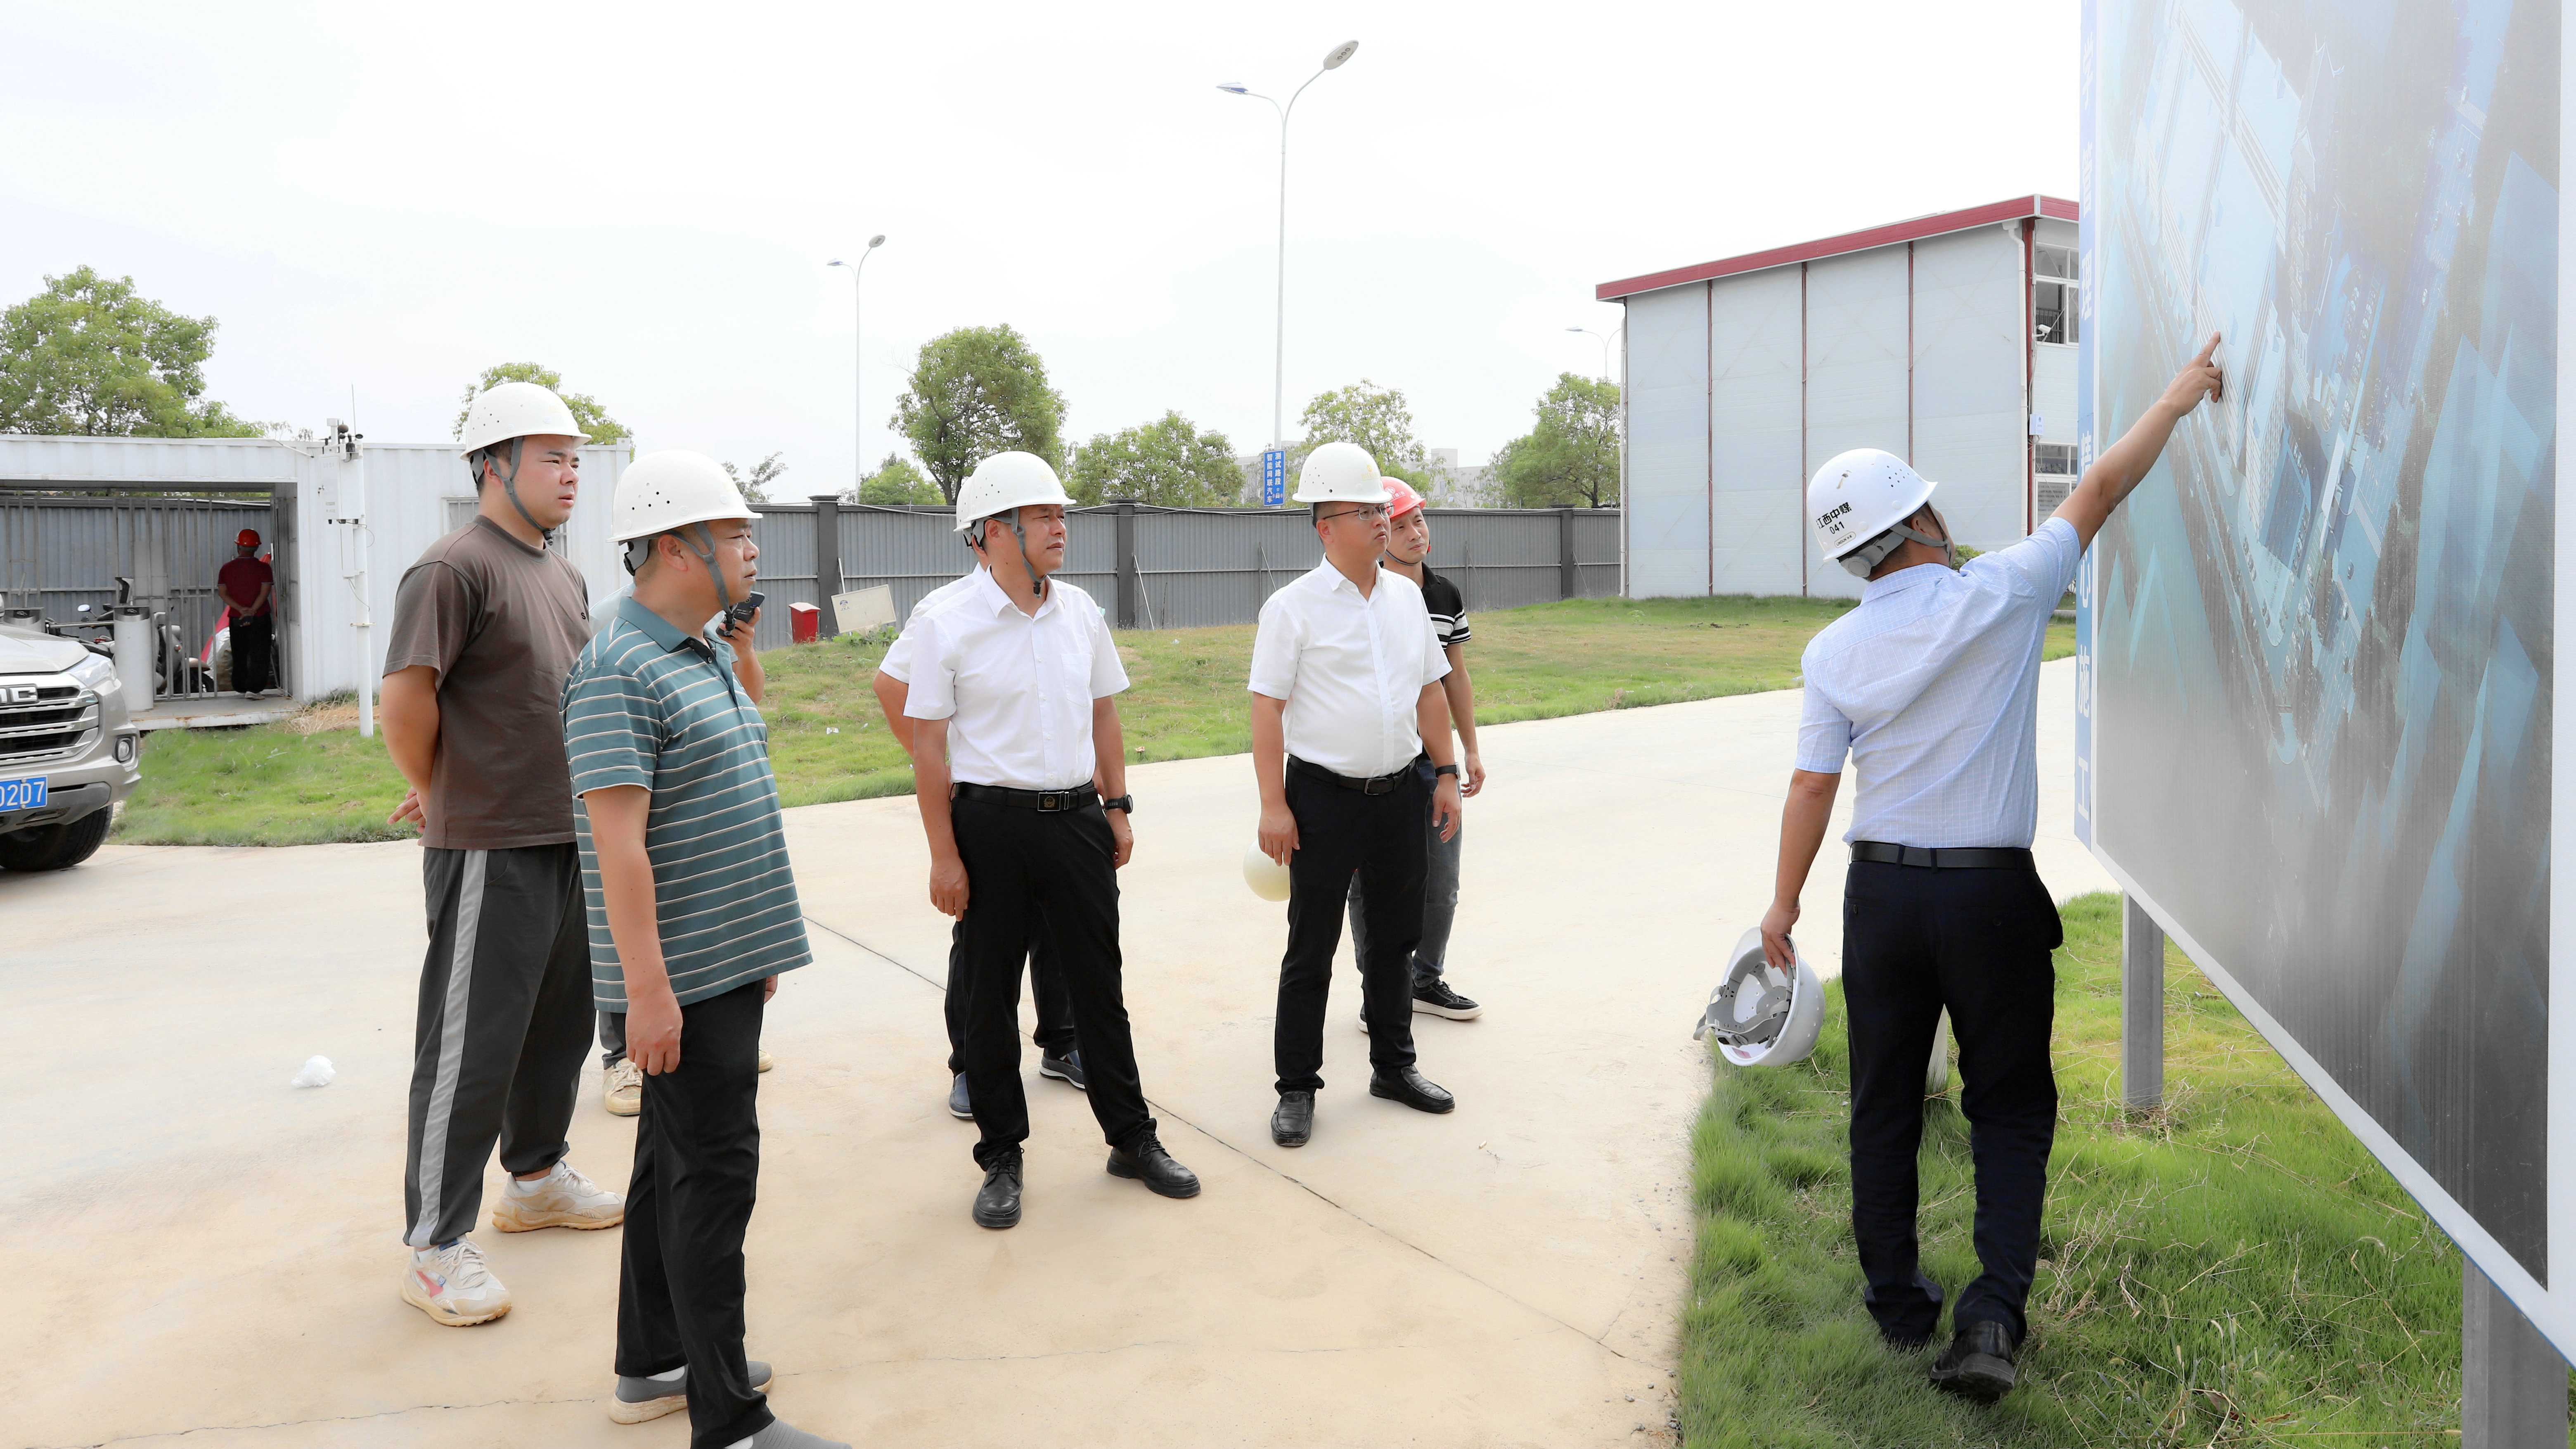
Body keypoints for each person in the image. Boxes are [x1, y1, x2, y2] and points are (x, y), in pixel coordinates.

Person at [1760, 335, 2224, 1402]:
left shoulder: (1831, 652)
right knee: (2008, 1105)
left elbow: (1812, 786)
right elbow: (2099, 489)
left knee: (1882, 1100)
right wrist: (2176, 397)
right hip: (1989, 893)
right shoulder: (2003, 590)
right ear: (1920, 519)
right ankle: (1990, 1322)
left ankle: (1896, 1303)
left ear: (1852, 556)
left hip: (1881, 894)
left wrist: (1783, 904)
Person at [564, 449, 842, 1449]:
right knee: (714, 1182)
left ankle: (652, 1361)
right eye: (733, 534)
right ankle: (729, 1420)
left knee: (667, 1168)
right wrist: (647, 994)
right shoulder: (616, 670)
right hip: (680, 977)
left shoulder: (700, 650)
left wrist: (757, 942)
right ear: (676, 548)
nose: (752, 549)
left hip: (724, 961)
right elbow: (619, 847)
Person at [380, 382, 623, 1329]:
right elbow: (408, 700)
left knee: (557, 1028)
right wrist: (441, 783)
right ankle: (435, 1244)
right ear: (492, 464)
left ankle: (535, 1177)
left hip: (566, 832)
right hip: (490, 843)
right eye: (551, 456)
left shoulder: (562, 575)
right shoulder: (452, 567)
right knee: (470, 1045)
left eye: (575, 458)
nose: (571, 474)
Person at [903, 450, 1197, 1229]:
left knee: (1100, 985)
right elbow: (928, 746)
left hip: (1075, 820)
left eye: (1062, 515)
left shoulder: (1082, 613)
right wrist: (944, 853)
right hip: (989, 826)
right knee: (990, 997)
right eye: (1044, 516)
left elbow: (1104, 713)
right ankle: (1002, 1154)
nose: (1061, 528)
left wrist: (1117, 807)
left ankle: (1131, 1137)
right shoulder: (945, 621)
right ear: (994, 531)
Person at [1249, 442, 1466, 1150]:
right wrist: (1273, 805)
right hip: (1322, 799)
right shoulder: (1292, 609)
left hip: (1400, 792)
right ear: (1326, 526)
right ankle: (1296, 1087)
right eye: (1365, 511)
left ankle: (1393, 1067)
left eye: (1382, 509)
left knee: (1395, 939)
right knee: (1311, 946)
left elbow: (1429, 690)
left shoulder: (1406, 598)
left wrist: (1445, 772)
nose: (1382, 520)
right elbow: (1267, 709)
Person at [873, 586, 1084, 1121]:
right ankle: (972, 1063)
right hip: (989, 809)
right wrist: (941, 772)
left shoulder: (1062, 604)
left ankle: (1062, 1041)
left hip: (1057, 803)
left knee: (1058, 925)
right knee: (983, 940)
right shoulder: (947, 609)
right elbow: (889, 684)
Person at [591, 584, 775, 1117]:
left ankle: (709, 1037)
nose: (749, 552)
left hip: (706, 832)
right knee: (633, 921)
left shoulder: (706, 623)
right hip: (636, 798)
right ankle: (622, 1053)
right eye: (732, 542)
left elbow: (748, 697)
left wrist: (743, 649)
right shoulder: (615, 632)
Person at [1346, 478, 1485, 1024]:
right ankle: (1380, 990)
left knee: (1441, 879)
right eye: (1400, 524)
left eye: (1418, 521)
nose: (1413, 533)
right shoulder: (1364, 595)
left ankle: (1425, 980)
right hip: (1379, 764)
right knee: (1371, 885)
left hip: (1435, 765)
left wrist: (1469, 749)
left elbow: (1455, 677)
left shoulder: (1444, 595)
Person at [217, 528, 275, 696]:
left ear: (238, 547)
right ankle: (255, 690)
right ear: (256, 548)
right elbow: (265, 591)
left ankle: (241, 687)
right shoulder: (264, 568)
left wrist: (240, 609)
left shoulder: (227, 569)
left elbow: (223, 593)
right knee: (260, 653)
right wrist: (253, 610)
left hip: (237, 618)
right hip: (261, 617)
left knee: (239, 653)